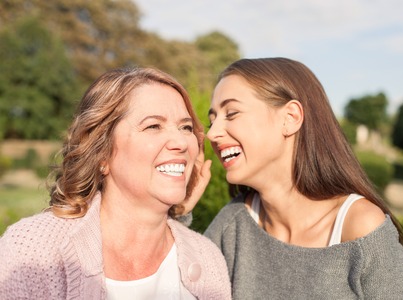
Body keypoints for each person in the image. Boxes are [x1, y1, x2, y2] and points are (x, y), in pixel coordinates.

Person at [0, 67, 231, 299]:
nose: (181, 142)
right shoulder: (33, 250)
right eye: (153, 126)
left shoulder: (208, 259)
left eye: (186, 127)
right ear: (101, 153)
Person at [201, 57, 403, 299]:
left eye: (231, 114)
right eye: (212, 120)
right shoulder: (232, 223)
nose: (212, 133)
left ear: (291, 117)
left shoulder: (360, 228)